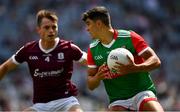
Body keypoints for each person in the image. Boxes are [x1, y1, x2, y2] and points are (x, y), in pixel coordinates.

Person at [0, 9, 87, 112]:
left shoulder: (69, 48)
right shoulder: (28, 50)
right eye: (46, 27)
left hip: (66, 101)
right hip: (41, 106)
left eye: (54, 27)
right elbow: (5, 66)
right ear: (38, 30)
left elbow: (90, 61)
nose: (51, 30)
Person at [82, 6, 164, 111]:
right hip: (118, 101)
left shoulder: (129, 37)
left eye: (89, 24)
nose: (87, 29)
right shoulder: (93, 49)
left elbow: (156, 61)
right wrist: (98, 77)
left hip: (142, 93)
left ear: (98, 24)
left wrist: (134, 68)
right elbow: (90, 85)